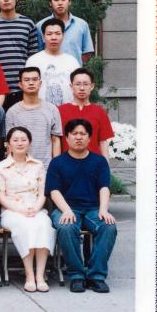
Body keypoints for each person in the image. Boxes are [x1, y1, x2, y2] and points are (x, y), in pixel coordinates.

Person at [46, 119, 117, 293]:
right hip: (66, 208)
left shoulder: (99, 161)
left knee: (108, 226)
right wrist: (66, 210)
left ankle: (96, 276)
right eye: (74, 134)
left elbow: (104, 187)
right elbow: (54, 191)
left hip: (93, 209)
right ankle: (76, 275)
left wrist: (103, 210)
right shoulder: (57, 162)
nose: (79, 137)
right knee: (66, 227)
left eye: (83, 134)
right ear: (67, 138)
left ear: (89, 138)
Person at [0, 126, 55, 293]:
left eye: (23, 140)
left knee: (44, 224)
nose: (20, 143)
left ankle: (40, 275)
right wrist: (21, 210)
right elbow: (1, 196)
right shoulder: (0, 167)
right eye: (15, 140)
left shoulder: (38, 165)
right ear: (8, 144)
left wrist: (36, 208)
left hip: (35, 208)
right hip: (12, 210)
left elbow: (43, 192)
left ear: (29, 143)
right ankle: (29, 275)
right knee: (25, 226)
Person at [5, 67, 62, 169]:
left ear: (40, 83)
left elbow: (55, 140)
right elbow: (10, 143)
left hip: (46, 167)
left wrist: (56, 167)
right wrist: (11, 168)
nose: (31, 83)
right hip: (20, 168)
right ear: (20, 84)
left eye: (35, 79)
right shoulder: (12, 112)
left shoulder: (52, 109)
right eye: (27, 80)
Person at [59, 67, 115, 156]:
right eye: (78, 84)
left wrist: (105, 164)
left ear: (92, 86)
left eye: (85, 84)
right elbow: (56, 141)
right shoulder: (60, 111)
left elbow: (103, 142)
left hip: (94, 162)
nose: (82, 88)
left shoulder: (100, 112)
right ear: (71, 86)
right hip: (66, 162)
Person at [25, 18, 80, 106]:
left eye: (57, 34)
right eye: (49, 34)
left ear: (63, 36)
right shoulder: (33, 61)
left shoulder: (72, 62)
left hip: (67, 111)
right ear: (43, 37)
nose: (54, 38)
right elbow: (27, 89)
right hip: (40, 110)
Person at [33, 0, 94, 64]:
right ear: (50, 3)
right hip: (49, 70)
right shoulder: (40, 26)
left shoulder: (82, 25)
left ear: (69, 2)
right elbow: (38, 52)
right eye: (56, 0)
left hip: (74, 70)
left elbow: (87, 52)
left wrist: (75, 65)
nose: (60, 3)